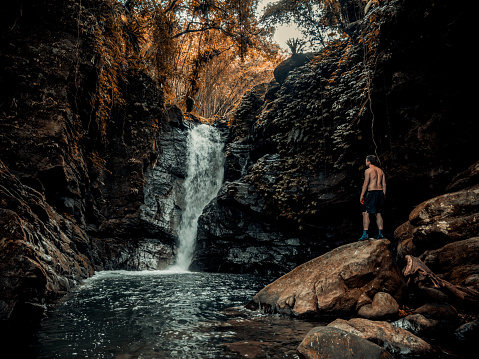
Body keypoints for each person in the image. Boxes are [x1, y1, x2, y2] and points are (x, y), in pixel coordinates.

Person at [359, 155, 386, 240]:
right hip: (380, 192)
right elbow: (384, 184)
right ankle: (381, 233)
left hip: (372, 192)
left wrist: (362, 195)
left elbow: (365, 184)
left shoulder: (368, 171)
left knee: (365, 212)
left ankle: (365, 234)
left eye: (366, 161)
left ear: (369, 161)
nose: (365, 162)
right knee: (378, 213)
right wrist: (383, 195)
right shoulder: (380, 171)